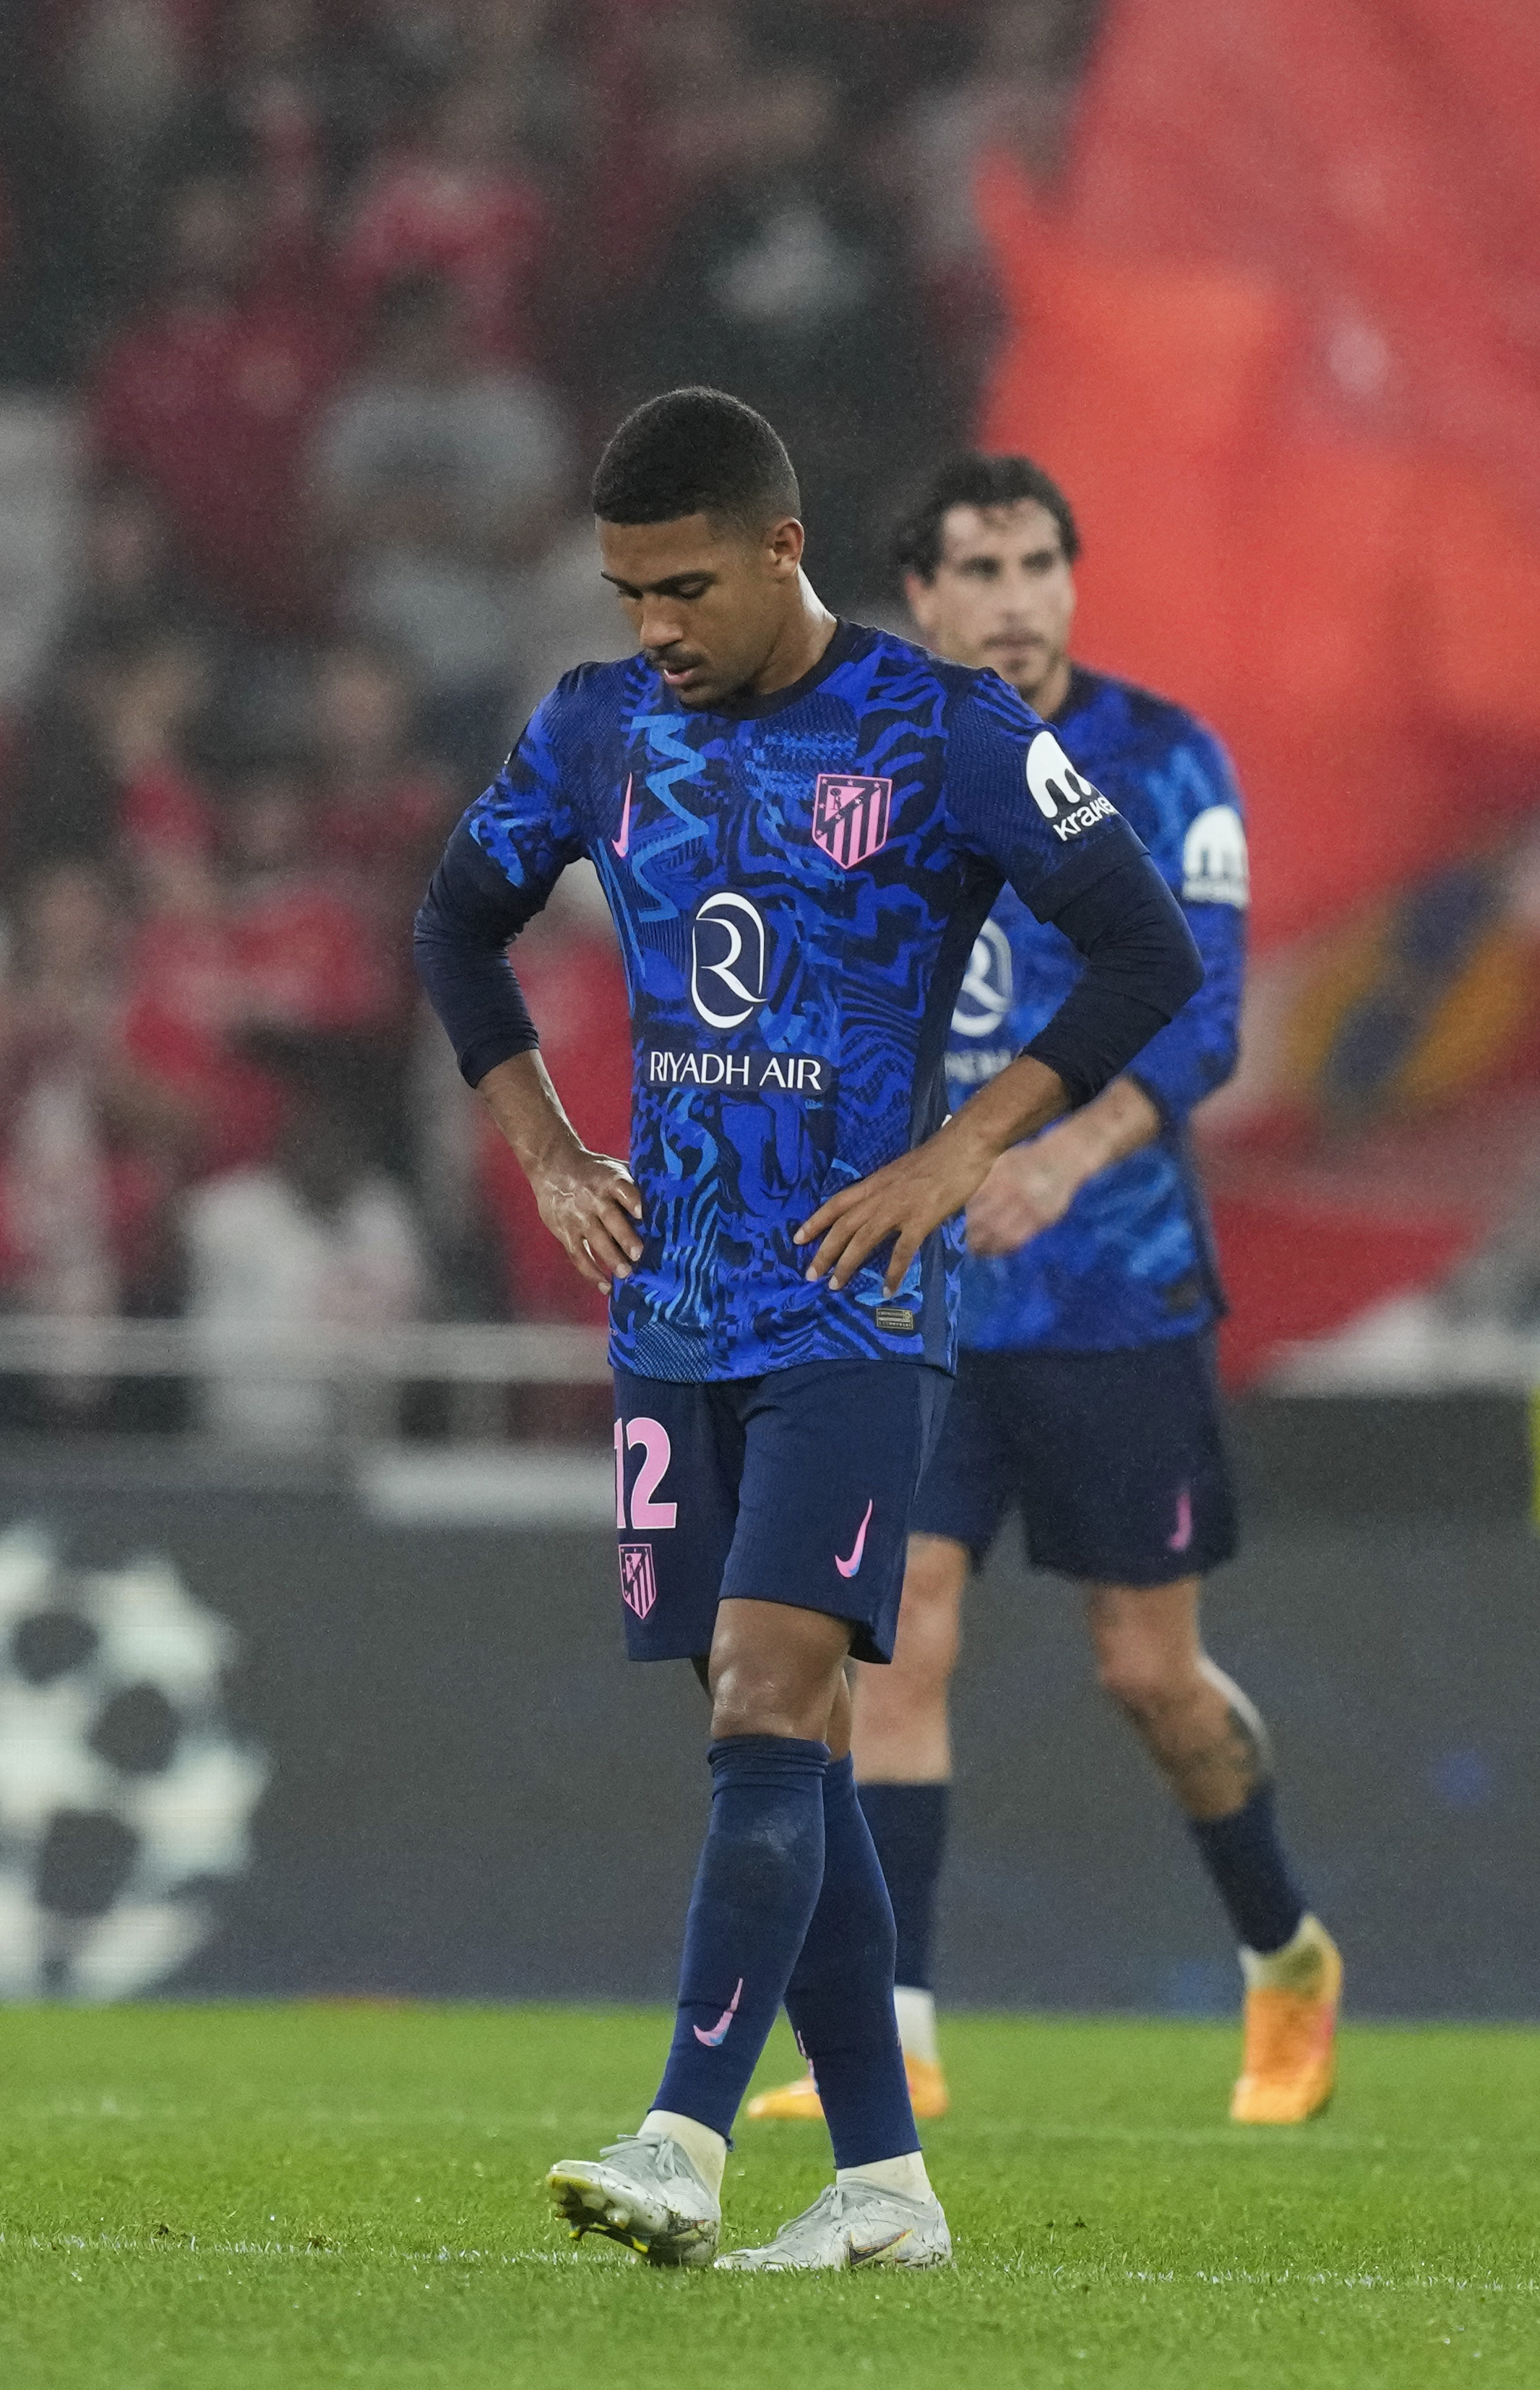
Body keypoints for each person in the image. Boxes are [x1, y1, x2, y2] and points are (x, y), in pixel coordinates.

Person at [413, 392, 1198, 2270]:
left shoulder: (938, 728)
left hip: (849, 1306)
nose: (655, 627)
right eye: (625, 592)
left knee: (771, 1706)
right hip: (669, 1305)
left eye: (684, 586)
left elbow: (1146, 950)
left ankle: (683, 2137)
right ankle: (886, 2187)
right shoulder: (603, 728)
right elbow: (455, 924)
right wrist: (542, 1151)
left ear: (781, 549)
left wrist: (960, 1151)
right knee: (790, 1747)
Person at [740, 455, 1336, 2133]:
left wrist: (1062, 1162)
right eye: (972, 569)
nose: (1008, 596)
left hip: (1112, 1291)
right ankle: (899, 2037)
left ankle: (1282, 1953)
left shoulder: (1162, 762)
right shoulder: (860, 769)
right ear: (915, 599)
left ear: (1071, 580)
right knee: (899, 1632)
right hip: (921, 1302)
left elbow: (1203, 1016)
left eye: (1033, 564)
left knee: (1144, 1673)